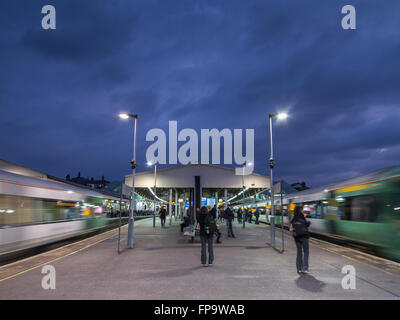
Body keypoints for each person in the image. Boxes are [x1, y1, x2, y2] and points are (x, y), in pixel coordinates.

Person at [290, 206, 311, 274]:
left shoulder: (293, 219)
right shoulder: (302, 217)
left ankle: (298, 268)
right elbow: (306, 225)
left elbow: (290, 229)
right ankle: (305, 268)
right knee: (306, 252)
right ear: (300, 210)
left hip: (297, 238)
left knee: (299, 252)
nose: (303, 211)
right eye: (302, 210)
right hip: (304, 237)